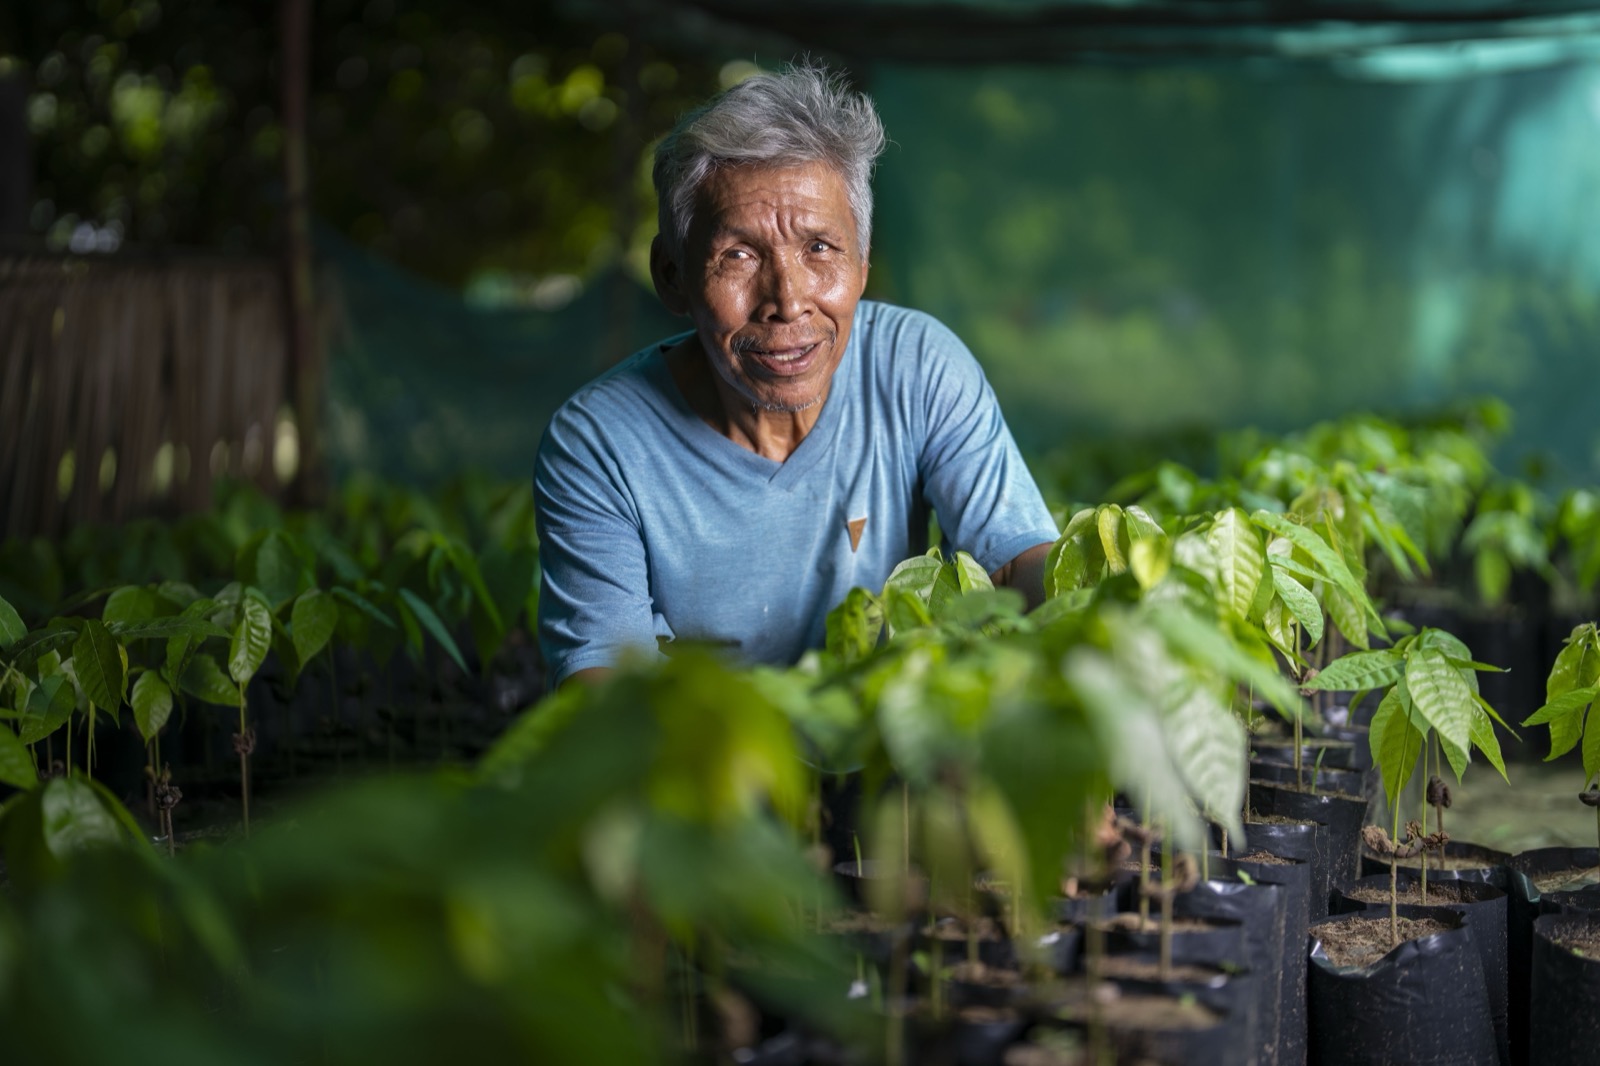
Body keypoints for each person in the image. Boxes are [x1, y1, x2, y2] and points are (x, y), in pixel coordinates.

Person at [534, 62, 1057, 688]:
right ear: (672, 275)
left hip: (901, 750)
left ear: (863, 264)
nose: (787, 299)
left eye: (819, 248)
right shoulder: (599, 444)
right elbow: (606, 693)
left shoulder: (917, 365)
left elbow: (1017, 563)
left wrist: (1090, 655)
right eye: (739, 255)